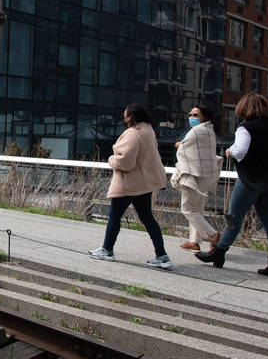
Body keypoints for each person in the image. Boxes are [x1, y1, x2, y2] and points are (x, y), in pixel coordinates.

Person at [195, 93, 268, 280]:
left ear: (243, 108)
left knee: (234, 218)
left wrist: (229, 152)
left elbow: (240, 150)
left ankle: (218, 252)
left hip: (250, 181)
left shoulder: (245, 128)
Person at [89, 104, 172, 269]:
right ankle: (162, 256)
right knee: (148, 218)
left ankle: (107, 250)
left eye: (125, 115)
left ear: (132, 117)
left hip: (129, 183)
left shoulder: (133, 134)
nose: (123, 117)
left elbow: (126, 162)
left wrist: (112, 160)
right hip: (144, 184)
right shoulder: (149, 131)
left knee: (114, 216)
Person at [172, 106, 221, 252]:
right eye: (190, 114)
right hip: (206, 174)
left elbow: (184, 149)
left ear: (204, 116)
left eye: (195, 115)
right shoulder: (209, 130)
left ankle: (213, 235)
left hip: (195, 174)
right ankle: (194, 241)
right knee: (197, 208)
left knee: (187, 208)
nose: (192, 117)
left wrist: (179, 145)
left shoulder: (197, 130)